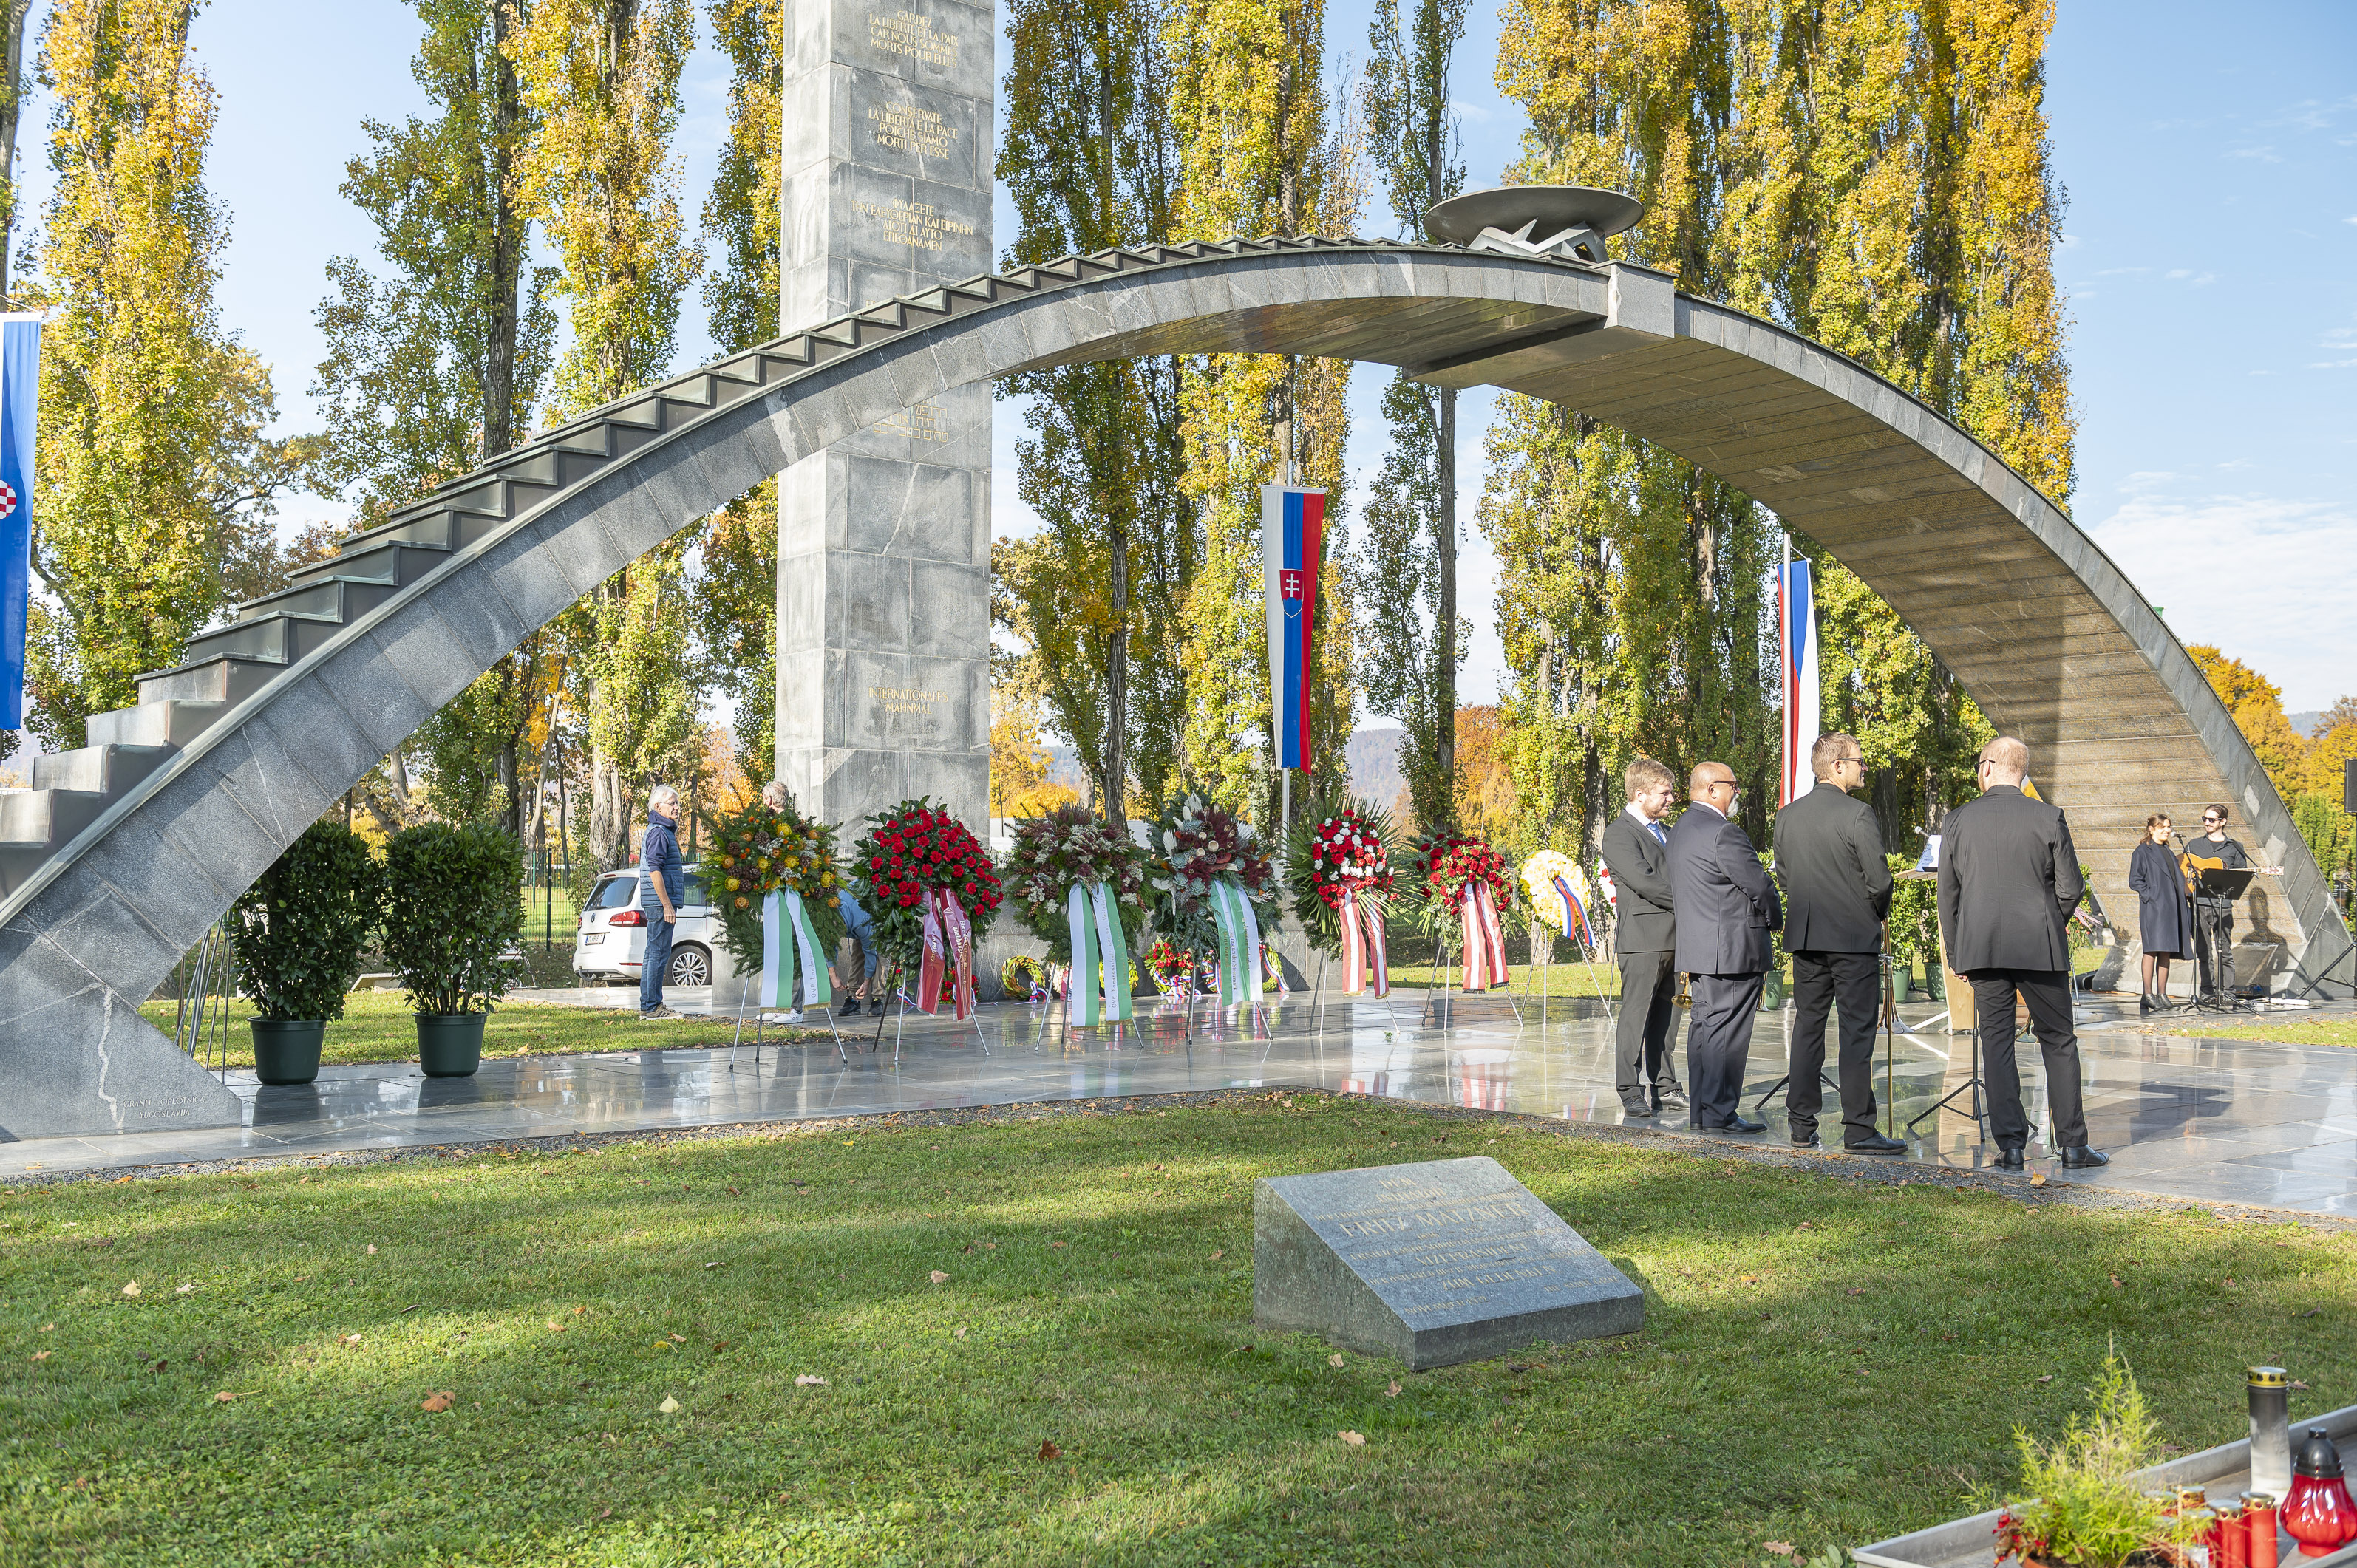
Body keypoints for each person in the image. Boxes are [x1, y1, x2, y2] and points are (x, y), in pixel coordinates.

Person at [1935, 735, 2103, 1171]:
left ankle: (2010, 1146)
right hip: (2038, 947)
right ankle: (2073, 1146)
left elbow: (1947, 896)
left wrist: (1957, 953)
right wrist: (2048, 921)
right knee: (2059, 1040)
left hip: (1982, 949)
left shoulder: (1956, 820)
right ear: (2022, 773)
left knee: (1996, 1042)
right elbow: (2071, 888)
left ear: (1989, 766)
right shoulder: (2048, 817)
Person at [1772, 733, 1905, 1153]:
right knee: (1856, 1032)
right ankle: (1859, 1129)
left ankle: (1800, 1124)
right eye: (1859, 761)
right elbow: (1879, 880)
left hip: (1808, 937)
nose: (1865, 767)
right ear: (1837, 766)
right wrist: (1874, 912)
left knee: (1808, 1028)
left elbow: (1786, 878)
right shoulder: (1858, 814)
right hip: (1852, 939)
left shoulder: (1787, 816)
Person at [1669, 760, 1782, 1134]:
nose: (1737, 792)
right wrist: (1777, 920)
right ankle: (1720, 1114)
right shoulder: (1723, 832)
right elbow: (1759, 885)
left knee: (1704, 1029)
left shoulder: (1680, 829)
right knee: (1727, 1034)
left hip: (1700, 950)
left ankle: (1702, 1112)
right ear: (1712, 789)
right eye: (1733, 786)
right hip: (1733, 951)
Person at [1599, 757, 1687, 1117]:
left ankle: (1665, 1087)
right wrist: (1693, 901)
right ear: (1640, 795)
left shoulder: (1666, 831)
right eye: (1664, 793)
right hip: (1643, 941)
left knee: (1668, 1020)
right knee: (1636, 1018)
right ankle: (1629, 1090)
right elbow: (1644, 882)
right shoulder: (1619, 833)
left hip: (1676, 939)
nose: (1671, 799)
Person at [2183, 803, 2281, 999]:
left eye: (2211, 820)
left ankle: (2227, 992)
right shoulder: (2193, 845)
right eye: (2205, 819)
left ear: (2223, 822)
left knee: (2225, 950)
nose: (2207, 823)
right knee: (2203, 951)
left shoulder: (2235, 847)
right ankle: (2207, 992)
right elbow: (2182, 868)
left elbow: (2240, 875)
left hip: (2223, 906)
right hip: (2199, 904)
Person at [2126, 813, 2192, 1013]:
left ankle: (2162, 995)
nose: (2167, 830)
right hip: (2154, 908)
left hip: (2172, 908)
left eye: (2169, 827)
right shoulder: (2142, 851)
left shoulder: (2168, 852)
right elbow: (2135, 880)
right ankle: (2148, 995)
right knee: (2152, 950)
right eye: (2163, 827)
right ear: (2151, 829)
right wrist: (2151, 895)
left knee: (2166, 951)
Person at [639, 784, 686, 1019]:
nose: (677, 807)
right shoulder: (659, 832)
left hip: (658, 902)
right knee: (658, 953)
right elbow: (655, 870)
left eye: (678, 803)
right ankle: (653, 1007)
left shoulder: (662, 830)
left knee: (653, 952)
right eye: (672, 803)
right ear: (658, 807)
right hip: (660, 903)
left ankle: (648, 1006)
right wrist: (667, 904)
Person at [834, 892, 881, 1017]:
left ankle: (877, 998)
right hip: (860, 912)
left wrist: (867, 982)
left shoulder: (861, 922)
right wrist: (833, 976)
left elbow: (871, 953)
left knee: (881, 955)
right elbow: (829, 947)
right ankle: (853, 998)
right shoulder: (831, 916)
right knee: (857, 955)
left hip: (880, 914)